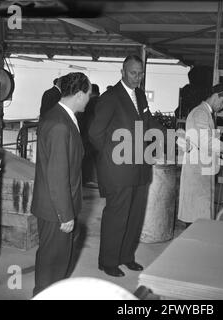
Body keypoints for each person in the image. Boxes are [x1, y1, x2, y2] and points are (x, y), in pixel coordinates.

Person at [89, 55, 165, 277]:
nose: (138, 77)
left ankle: (126, 257)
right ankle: (108, 261)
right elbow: (95, 133)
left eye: (140, 73)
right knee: (117, 216)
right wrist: (111, 158)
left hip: (140, 167)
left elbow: (148, 122)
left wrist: (171, 134)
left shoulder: (140, 96)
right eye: (133, 73)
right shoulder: (110, 97)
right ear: (122, 72)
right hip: (119, 169)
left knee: (134, 215)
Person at [31, 72, 92, 296]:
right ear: (78, 95)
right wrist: (65, 214)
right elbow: (57, 175)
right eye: (88, 95)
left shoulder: (60, 116)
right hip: (55, 209)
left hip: (54, 205)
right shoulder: (59, 124)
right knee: (52, 265)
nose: (89, 99)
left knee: (58, 262)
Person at [177, 83, 223, 225]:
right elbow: (206, 142)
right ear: (216, 95)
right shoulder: (200, 113)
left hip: (202, 169)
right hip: (197, 172)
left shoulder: (206, 113)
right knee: (196, 218)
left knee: (199, 216)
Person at [77, 83, 100, 186]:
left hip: (87, 136)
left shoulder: (88, 103)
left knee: (86, 159)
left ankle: (87, 180)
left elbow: (82, 119)